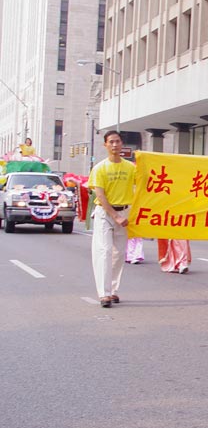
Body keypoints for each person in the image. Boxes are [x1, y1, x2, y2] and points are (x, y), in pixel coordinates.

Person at [87, 131, 136, 308]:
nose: (115, 145)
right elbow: (100, 195)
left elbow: (143, 185)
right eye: (111, 142)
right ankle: (104, 294)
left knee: (119, 254)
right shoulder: (100, 168)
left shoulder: (130, 167)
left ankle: (113, 289)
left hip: (124, 212)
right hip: (105, 214)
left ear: (122, 144)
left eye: (117, 141)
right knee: (104, 251)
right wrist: (115, 215)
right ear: (105, 145)